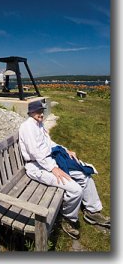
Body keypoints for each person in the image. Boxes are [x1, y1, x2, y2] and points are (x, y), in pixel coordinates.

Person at [18, 100, 110, 239]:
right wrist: (53, 168)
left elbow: (50, 143)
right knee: (75, 190)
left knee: (85, 176)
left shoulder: (39, 124)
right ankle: (68, 219)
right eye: (38, 111)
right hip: (36, 167)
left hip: (49, 161)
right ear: (30, 112)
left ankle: (92, 211)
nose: (41, 114)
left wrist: (66, 151)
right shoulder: (27, 127)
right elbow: (35, 153)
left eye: (42, 111)